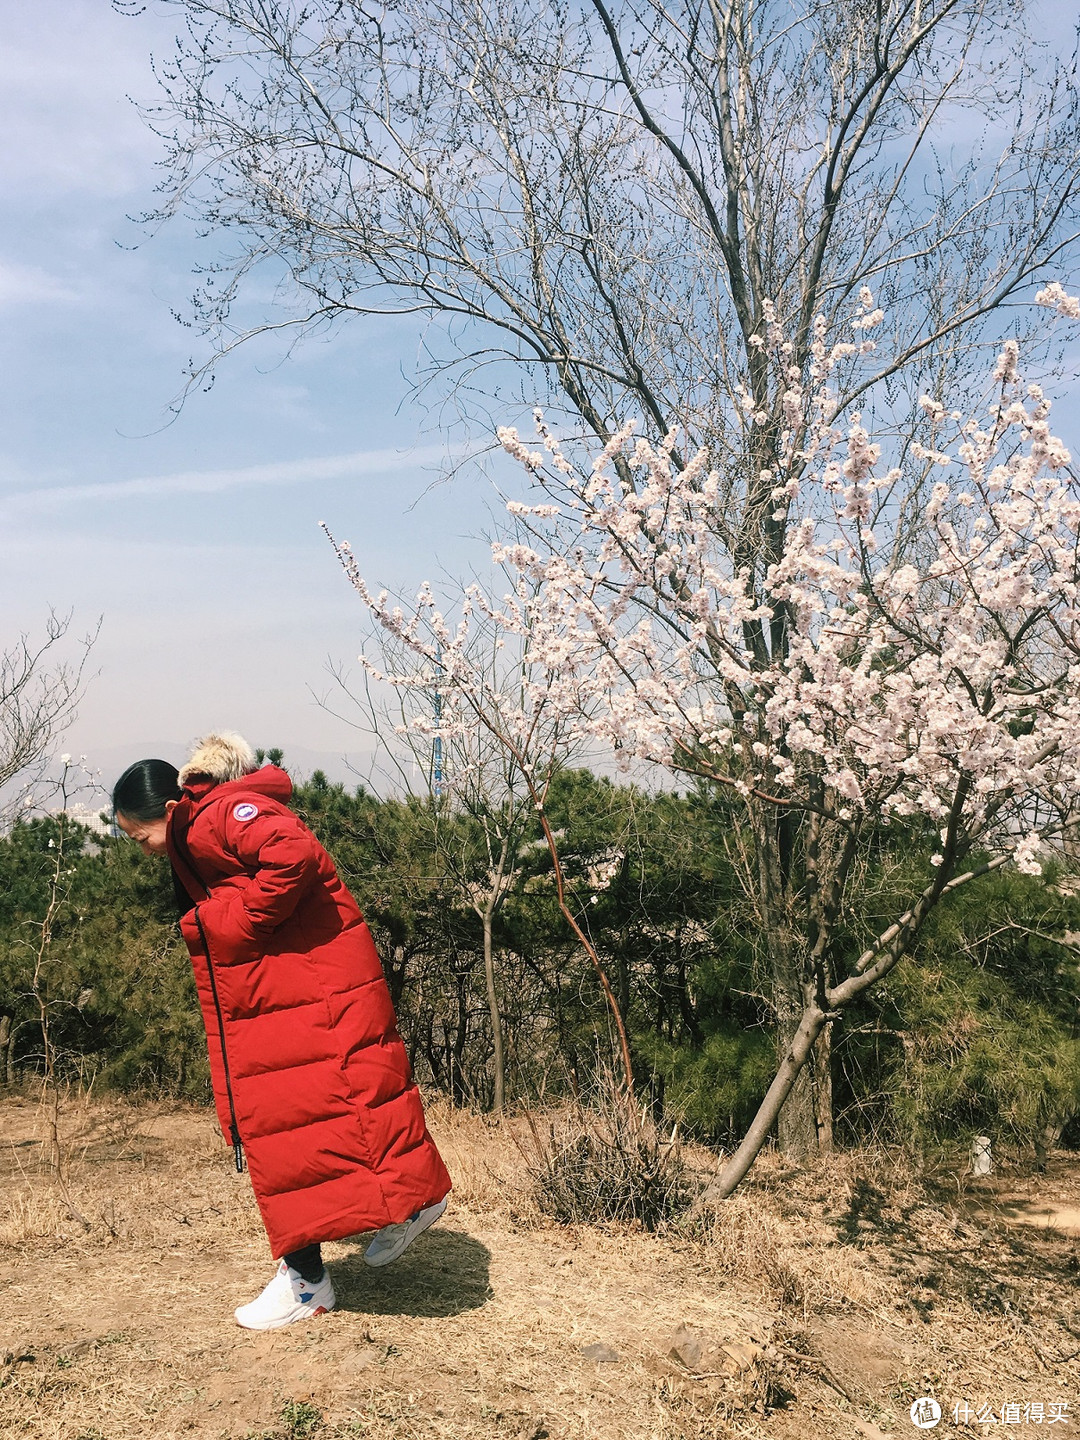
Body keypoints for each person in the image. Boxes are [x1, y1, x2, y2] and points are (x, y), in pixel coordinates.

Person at [112, 732, 451, 1331]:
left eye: (139, 838)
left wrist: (234, 925)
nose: (142, 851)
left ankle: (309, 1282)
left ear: (167, 810)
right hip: (295, 992)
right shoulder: (202, 826)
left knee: (288, 1130)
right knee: (319, 1122)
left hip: (310, 992)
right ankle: (401, 1208)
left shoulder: (216, 816)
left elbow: (292, 855)